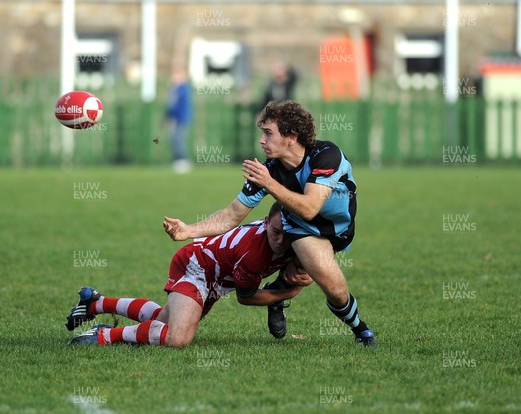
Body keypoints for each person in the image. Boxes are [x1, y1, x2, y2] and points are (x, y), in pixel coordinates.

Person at [163, 100, 377, 347]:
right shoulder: (269, 171)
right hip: (302, 229)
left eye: (268, 133)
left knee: (312, 282)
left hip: (339, 228)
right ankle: (361, 330)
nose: (261, 140)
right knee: (334, 287)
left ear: (291, 136)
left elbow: (310, 207)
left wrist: (269, 183)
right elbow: (231, 215)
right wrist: (189, 229)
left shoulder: (326, 155)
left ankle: (276, 295)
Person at [65, 202, 313, 346]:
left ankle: (95, 303)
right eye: (276, 231)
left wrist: (306, 271)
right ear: (267, 223)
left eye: (287, 234)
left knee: (163, 321)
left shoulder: (295, 237)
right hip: (197, 267)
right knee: (178, 337)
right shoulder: (254, 254)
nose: (281, 240)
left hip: (215, 278)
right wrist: (287, 292)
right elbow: (246, 297)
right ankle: (103, 336)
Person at [165, 67, 193, 173]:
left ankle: (183, 161)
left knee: (179, 140)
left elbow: (177, 106)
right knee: (175, 140)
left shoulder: (183, 89)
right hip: (175, 118)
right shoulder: (175, 89)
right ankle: (178, 160)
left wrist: (171, 115)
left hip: (181, 118)